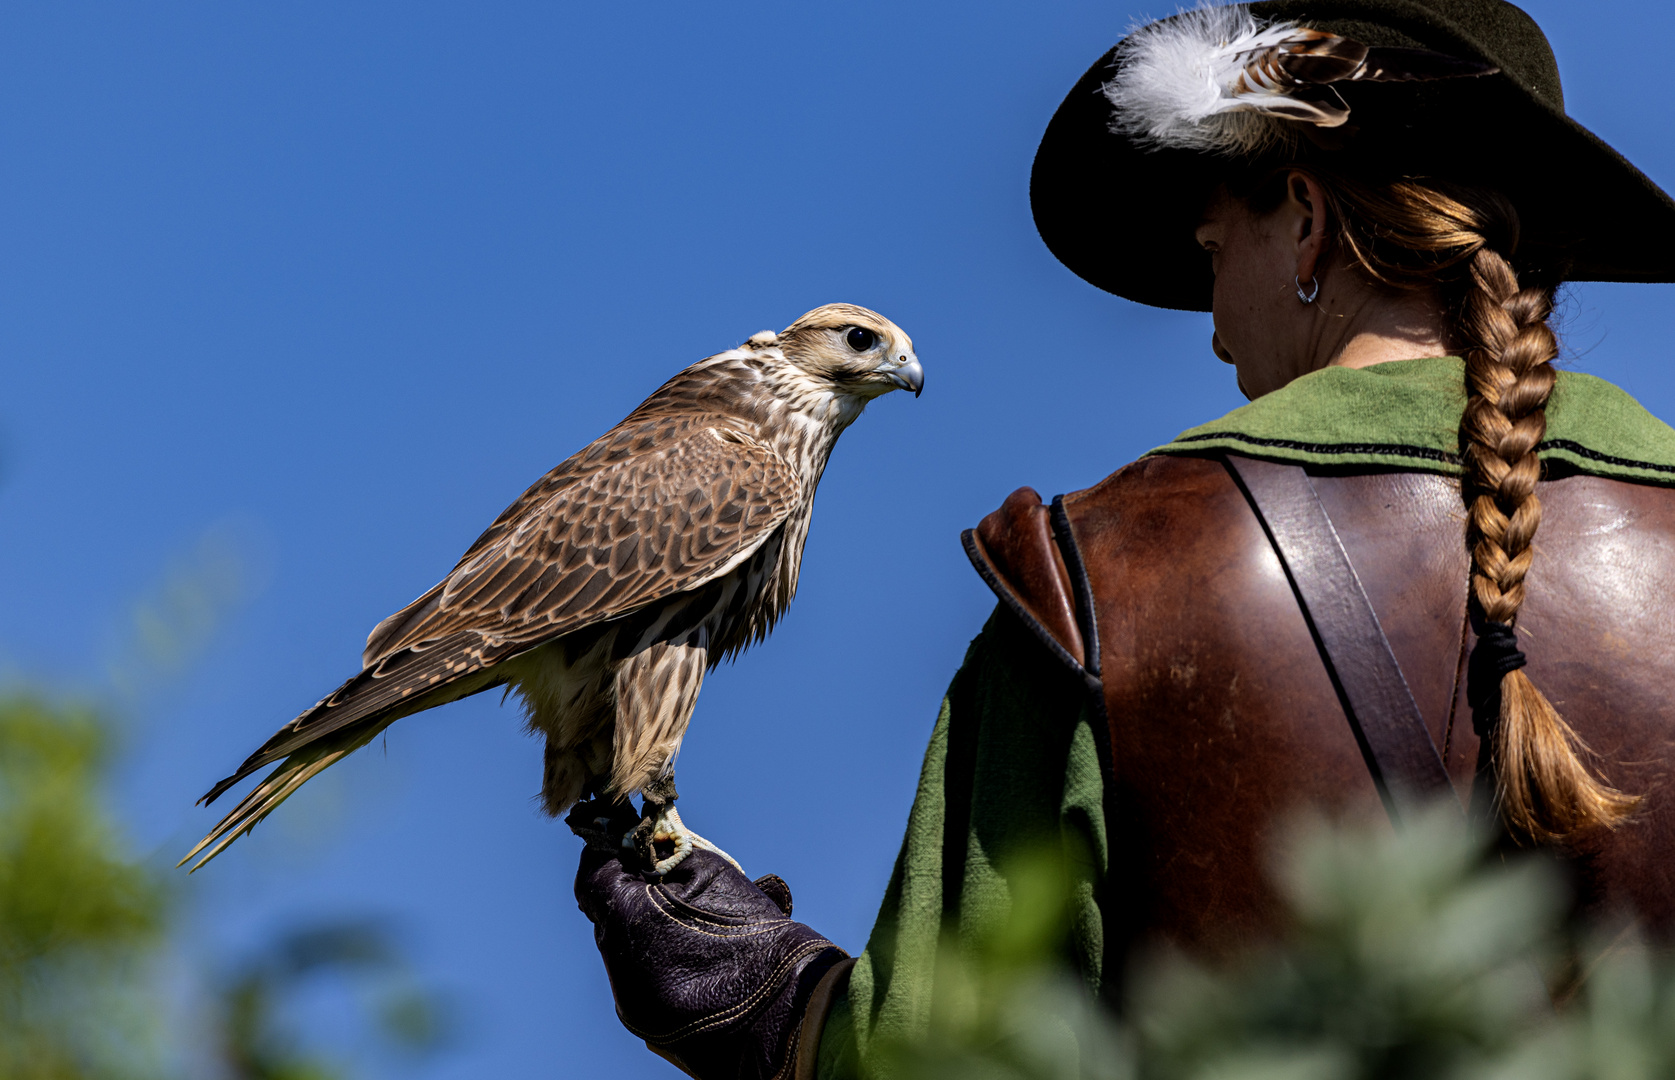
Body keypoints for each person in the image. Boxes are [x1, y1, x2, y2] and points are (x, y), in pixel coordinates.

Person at [571, 2, 1675, 1077]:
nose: (1209, 328)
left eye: (1208, 253)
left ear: (1303, 219)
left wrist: (772, 1012)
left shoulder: (1097, 581)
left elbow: (949, 1055)